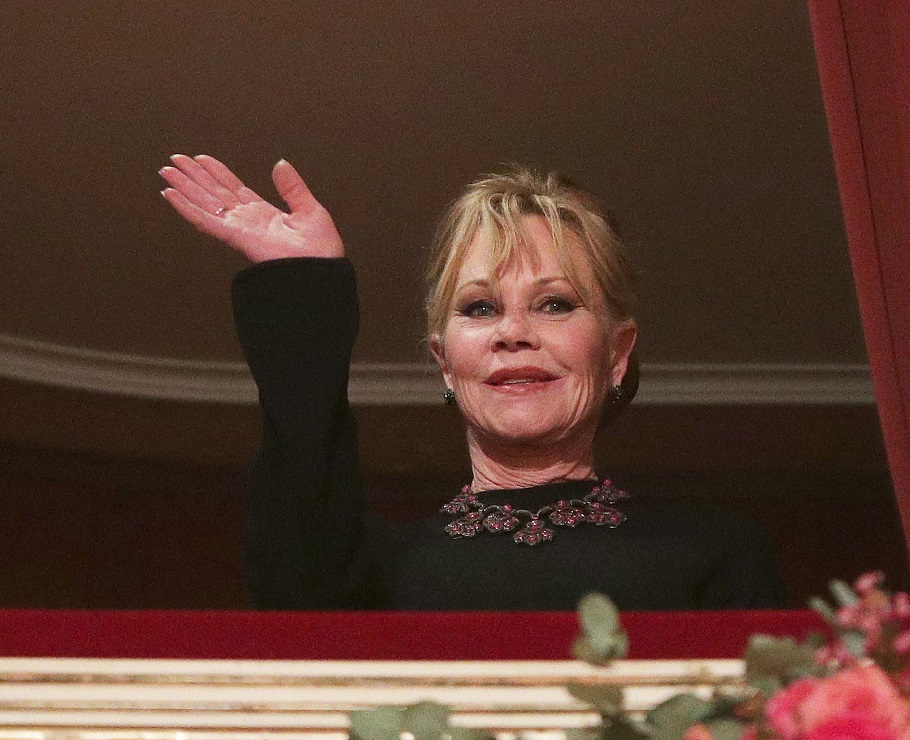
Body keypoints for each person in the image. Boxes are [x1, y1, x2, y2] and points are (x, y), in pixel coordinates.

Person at [159, 154, 787, 610]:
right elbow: (292, 592)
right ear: (444, 361)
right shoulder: (373, 571)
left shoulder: (712, 557)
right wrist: (304, 288)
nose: (513, 333)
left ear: (617, 353)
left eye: (555, 304)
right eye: (481, 308)